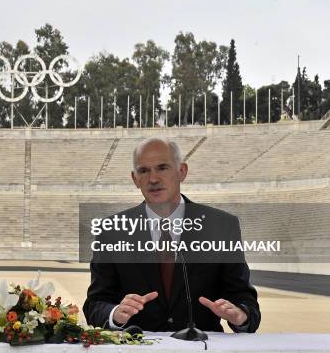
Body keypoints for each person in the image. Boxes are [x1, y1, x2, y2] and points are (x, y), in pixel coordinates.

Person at [83, 138, 260, 333]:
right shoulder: (111, 231)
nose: (153, 179)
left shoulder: (221, 226)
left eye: (162, 167)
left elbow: (245, 301)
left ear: (182, 171)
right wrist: (115, 313)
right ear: (135, 179)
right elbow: (95, 305)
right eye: (144, 171)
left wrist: (240, 316)